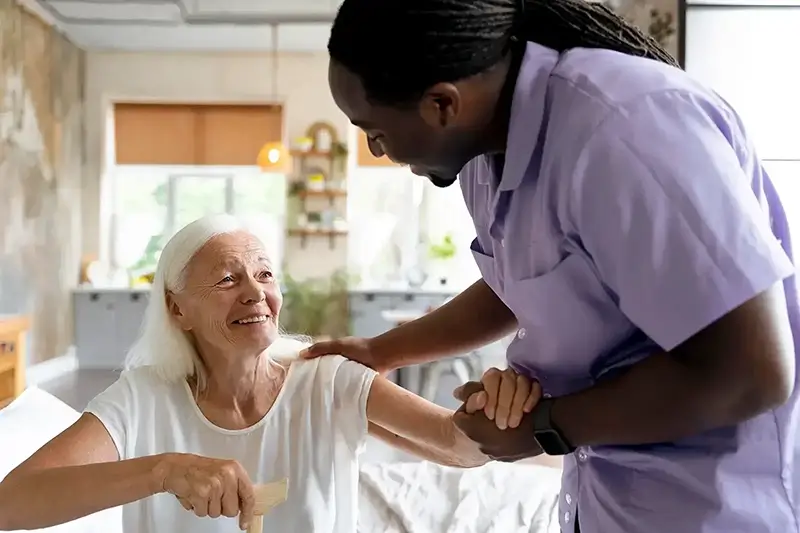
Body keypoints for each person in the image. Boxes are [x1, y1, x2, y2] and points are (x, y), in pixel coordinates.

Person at [305, 0, 800, 531]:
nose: (378, 151)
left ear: (442, 105)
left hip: (714, 506)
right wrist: (384, 350)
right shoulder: (483, 154)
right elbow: (517, 280)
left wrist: (543, 427)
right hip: (606, 497)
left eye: (374, 131)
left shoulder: (626, 130)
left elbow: (751, 372)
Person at [0, 215, 538, 533]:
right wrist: (163, 471)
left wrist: (491, 413)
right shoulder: (143, 397)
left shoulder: (327, 379)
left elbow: (456, 447)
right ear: (177, 308)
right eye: (228, 279)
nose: (256, 292)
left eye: (264, 275)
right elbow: (12, 501)